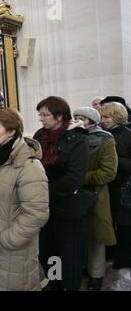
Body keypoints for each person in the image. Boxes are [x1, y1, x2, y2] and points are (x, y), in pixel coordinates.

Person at [0, 108, 49, 291]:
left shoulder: (29, 166)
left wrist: (7, 240)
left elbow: (37, 214)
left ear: (12, 131)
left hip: (14, 250)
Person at [33, 96, 90, 291]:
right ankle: (53, 284)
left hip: (68, 209)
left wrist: (42, 192)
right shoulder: (39, 136)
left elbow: (74, 178)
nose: (41, 118)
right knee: (48, 254)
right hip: (45, 209)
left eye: (45, 114)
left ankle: (69, 287)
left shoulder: (78, 140)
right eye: (39, 114)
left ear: (59, 116)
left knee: (69, 256)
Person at [73, 107, 118, 291]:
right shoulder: (72, 138)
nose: (76, 120)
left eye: (80, 118)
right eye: (74, 117)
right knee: (79, 234)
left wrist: (80, 177)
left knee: (96, 237)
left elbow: (108, 172)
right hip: (74, 195)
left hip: (95, 195)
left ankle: (97, 275)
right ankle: (84, 267)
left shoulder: (105, 139)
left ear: (91, 121)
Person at [99, 102, 131, 271]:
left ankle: (123, 259)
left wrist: (113, 158)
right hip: (106, 187)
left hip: (123, 189)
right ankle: (110, 254)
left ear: (117, 117)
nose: (103, 120)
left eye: (107, 117)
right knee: (108, 223)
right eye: (102, 117)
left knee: (124, 225)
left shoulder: (127, 135)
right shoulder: (102, 135)